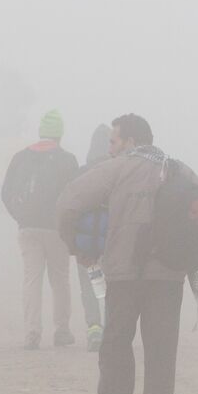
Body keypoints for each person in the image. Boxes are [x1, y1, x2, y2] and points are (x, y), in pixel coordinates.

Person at [56, 113, 198, 394]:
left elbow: (69, 203)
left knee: (116, 341)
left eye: (114, 141)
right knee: (161, 350)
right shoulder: (179, 169)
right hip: (168, 273)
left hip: (123, 272)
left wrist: (77, 247)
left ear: (131, 142)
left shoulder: (116, 169)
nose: (110, 148)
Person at [0, 109, 80, 350]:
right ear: (60, 135)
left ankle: (32, 331)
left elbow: (6, 193)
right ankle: (61, 329)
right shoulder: (67, 160)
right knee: (60, 280)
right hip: (57, 229)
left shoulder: (20, 157)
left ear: (41, 132)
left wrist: (20, 216)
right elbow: (74, 195)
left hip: (28, 228)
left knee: (31, 279)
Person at [74, 123, 112, 351]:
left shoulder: (82, 172)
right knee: (111, 286)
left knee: (88, 285)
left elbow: (70, 207)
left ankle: (94, 328)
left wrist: (72, 241)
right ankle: (110, 328)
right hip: (111, 241)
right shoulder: (119, 171)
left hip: (85, 241)